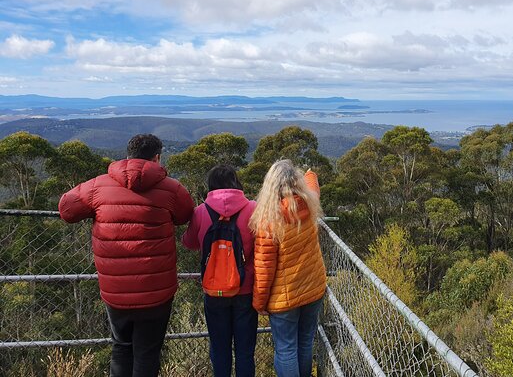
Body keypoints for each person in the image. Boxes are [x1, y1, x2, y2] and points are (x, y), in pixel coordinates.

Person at [58, 134, 194, 377]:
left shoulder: (98, 186)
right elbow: (185, 215)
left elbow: (67, 210)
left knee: (121, 347)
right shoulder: (171, 187)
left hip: (116, 290)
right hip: (156, 290)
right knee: (148, 352)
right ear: (157, 158)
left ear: (128, 155)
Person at [251, 159, 326, 377]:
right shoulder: (309, 205)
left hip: (284, 298)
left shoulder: (269, 221)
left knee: (286, 349)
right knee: (304, 343)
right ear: (297, 183)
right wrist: (311, 174)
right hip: (313, 289)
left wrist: (259, 303)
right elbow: (313, 188)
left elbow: (264, 268)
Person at [182, 165, 258, 377]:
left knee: (219, 348)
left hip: (214, 290)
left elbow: (189, 243)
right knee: (245, 352)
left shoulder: (200, 211)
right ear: (236, 183)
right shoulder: (253, 209)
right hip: (245, 288)